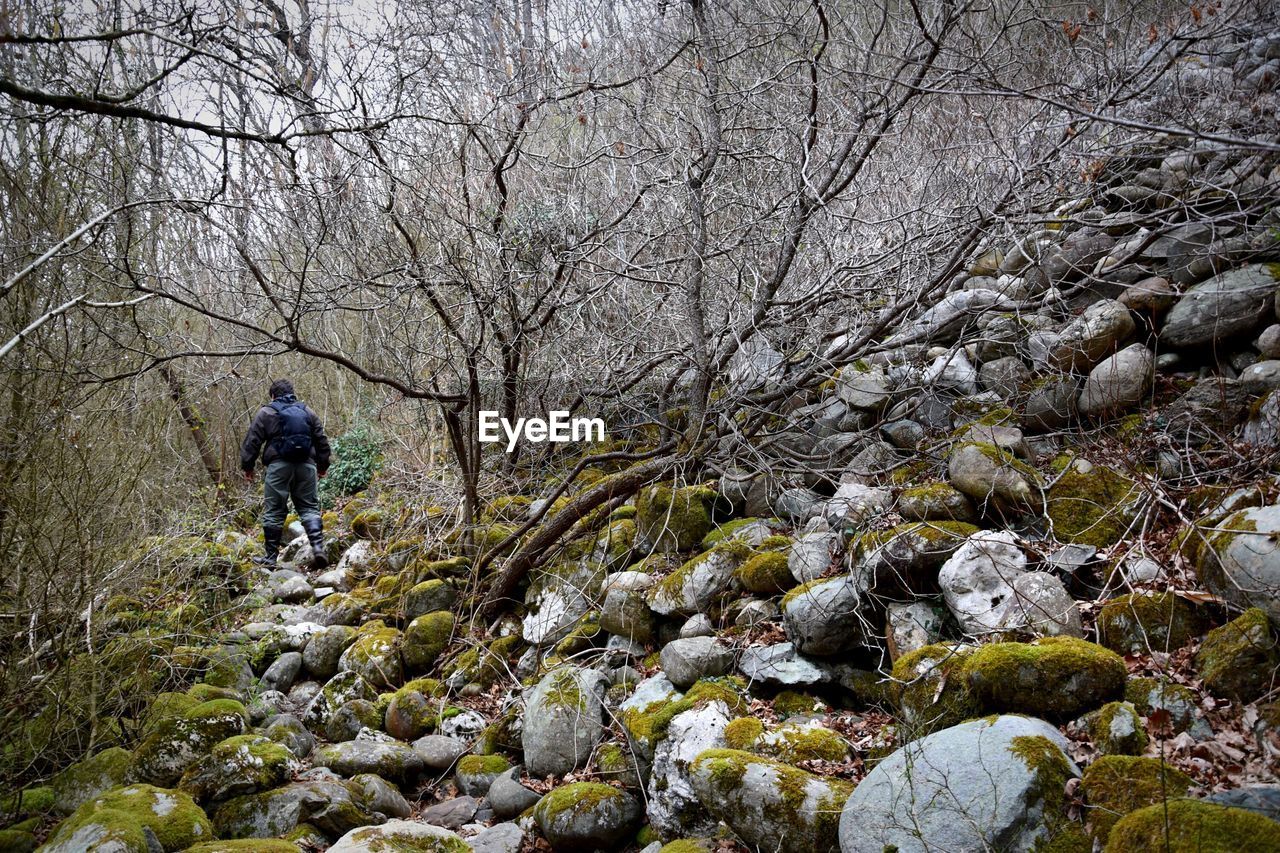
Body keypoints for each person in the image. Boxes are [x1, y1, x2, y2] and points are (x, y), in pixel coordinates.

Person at [240, 379, 332, 570]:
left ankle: (271, 558)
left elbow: (252, 441)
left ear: (272, 396)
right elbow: (321, 440)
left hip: (279, 466)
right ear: (293, 393)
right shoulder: (308, 412)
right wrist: (323, 466)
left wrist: (247, 467)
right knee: (309, 508)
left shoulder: (267, 412)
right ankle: (318, 548)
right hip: (306, 466)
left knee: (274, 510)